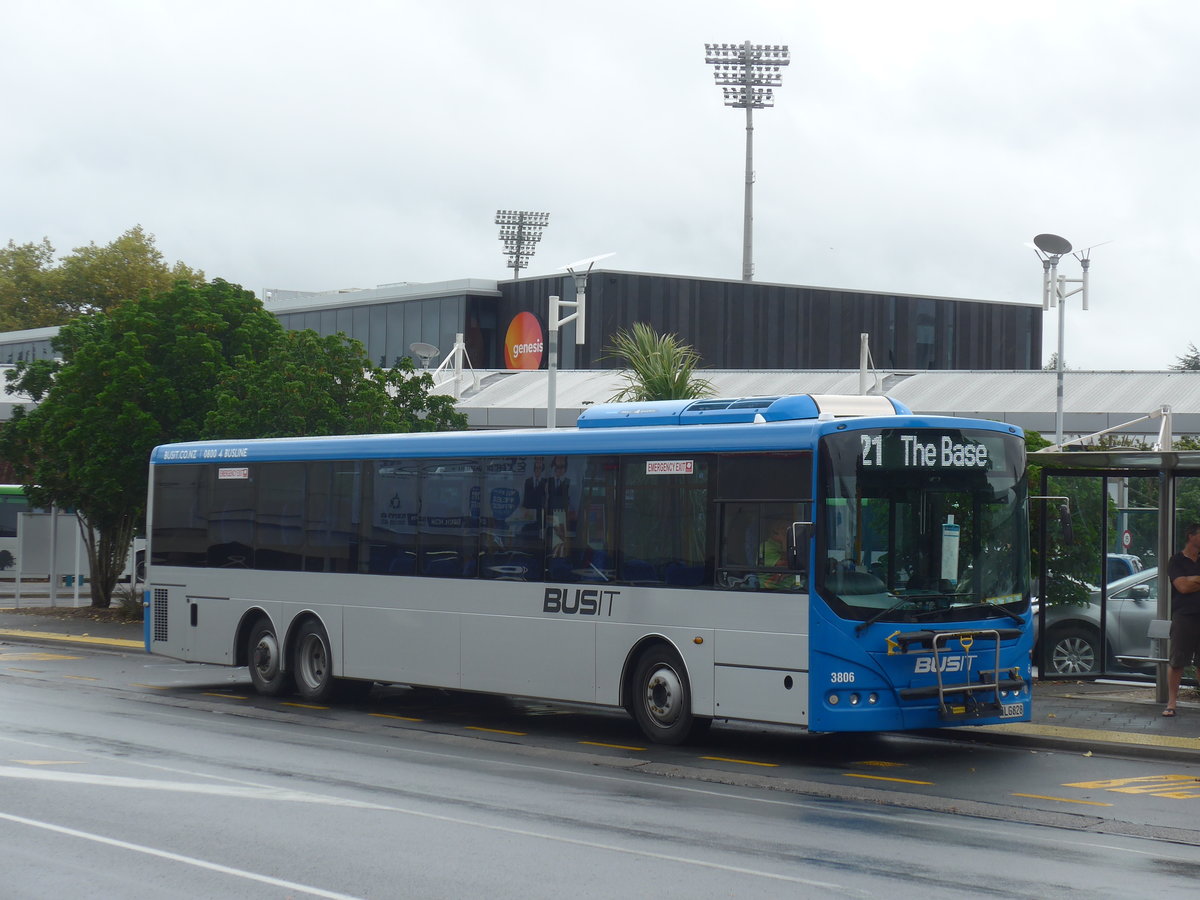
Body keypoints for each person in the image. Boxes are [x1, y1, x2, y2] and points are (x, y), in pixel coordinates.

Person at [1165, 522, 1200, 716]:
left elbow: (1189, 583)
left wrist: (1192, 579)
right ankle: (1171, 703)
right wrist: (1192, 581)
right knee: (1178, 660)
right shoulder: (1176, 561)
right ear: (1191, 536)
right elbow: (1183, 587)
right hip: (1184, 616)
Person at [759, 519, 795, 590]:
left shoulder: (784, 544)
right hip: (776, 588)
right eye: (784, 529)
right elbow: (785, 564)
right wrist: (785, 540)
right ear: (775, 531)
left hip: (794, 585)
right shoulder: (766, 547)